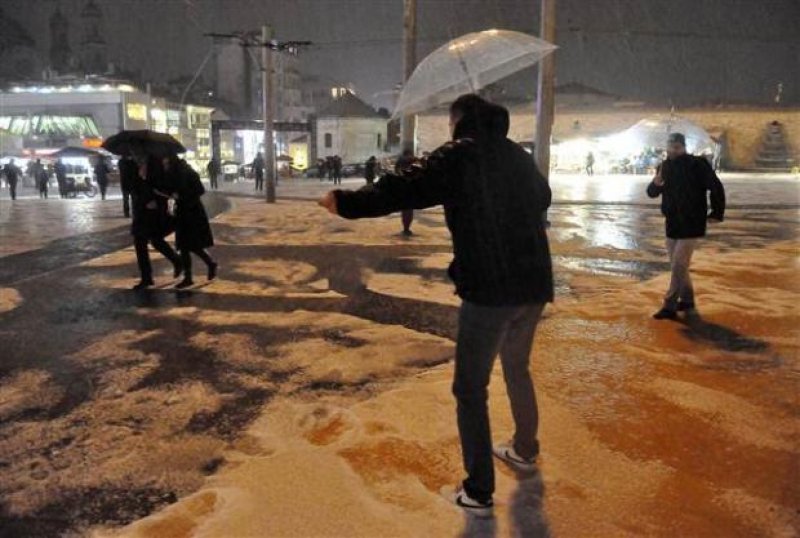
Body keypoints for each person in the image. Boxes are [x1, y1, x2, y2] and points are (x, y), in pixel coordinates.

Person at [319, 94, 553, 518]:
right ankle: (524, 448)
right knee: (517, 366)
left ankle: (479, 491)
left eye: (450, 120)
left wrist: (346, 202)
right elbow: (543, 197)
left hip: (491, 288)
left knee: (470, 388)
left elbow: (408, 188)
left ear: (460, 120)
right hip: (534, 283)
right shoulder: (516, 154)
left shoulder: (459, 154)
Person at [647, 132, 726, 319]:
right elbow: (651, 193)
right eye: (671, 146)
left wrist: (716, 212)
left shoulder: (697, 164)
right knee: (677, 265)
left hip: (692, 220)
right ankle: (688, 300)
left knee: (679, 264)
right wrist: (655, 183)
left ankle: (669, 305)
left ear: (683, 147)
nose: (673, 150)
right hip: (672, 221)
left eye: (677, 146)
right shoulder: (664, 166)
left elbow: (715, 187)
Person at [162, 155, 217, 289]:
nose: (165, 165)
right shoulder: (179, 172)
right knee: (188, 245)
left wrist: (180, 196)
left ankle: (189, 277)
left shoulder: (185, 172)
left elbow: (199, 190)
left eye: (166, 162)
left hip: (191, 213)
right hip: (185, 212)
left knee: (186, 246)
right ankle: (208, 264)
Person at [130, 155, 182, 290]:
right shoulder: (137, 167)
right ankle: (147, 277)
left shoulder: (155, 167)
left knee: (153, 240)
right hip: (141, 212)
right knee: (145, 242)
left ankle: (174, 262)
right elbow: (135, 189)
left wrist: (149, 194)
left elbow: (160, 189)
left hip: (152, 212)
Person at [394, 148, 417, 236]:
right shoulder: (413, 160)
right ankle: (407, 228)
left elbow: (396, 170)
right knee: (409, 210)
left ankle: (405, 228)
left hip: (403, 187)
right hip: (411, 188)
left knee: (405, 209)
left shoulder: (400, 160)